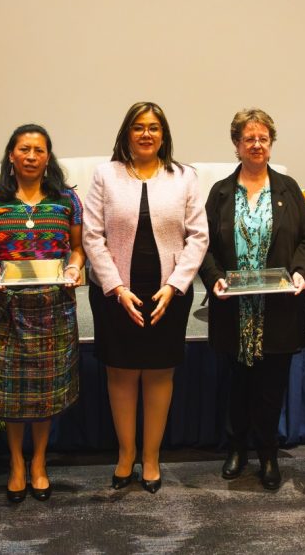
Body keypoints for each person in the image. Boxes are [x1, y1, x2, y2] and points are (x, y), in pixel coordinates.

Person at [82, 102, 208, 494]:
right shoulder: (106, 174)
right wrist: (116, 288)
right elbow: (92, 236)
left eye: (154, 127)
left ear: (164, 135)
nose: (146, 134)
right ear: (126, 133)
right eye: (138, 127)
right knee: (120, 371)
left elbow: (198, 236)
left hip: (167, 291)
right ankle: (125, 455)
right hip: (115, 291)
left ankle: (151, 458)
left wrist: (176, 285)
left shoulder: (184, 177)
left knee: (158, 372)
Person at [199, 109, 305, 491]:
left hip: (277, 309)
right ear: (236, 144)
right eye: (248, 138)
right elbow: (205, 246)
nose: (256, 144)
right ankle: (236, 449)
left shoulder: (287, 189)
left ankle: (267, 453)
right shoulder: (219, 192)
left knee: (270, 384)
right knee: (236, 381)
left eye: (263, 138)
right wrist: (214, 279)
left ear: (271, 143)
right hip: (233, 308)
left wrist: (300, 273)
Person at [0, 124, 84, 503]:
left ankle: (39, 462)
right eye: (24, 149)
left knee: (44, 393)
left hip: (53, 308)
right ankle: (16, 462)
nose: (31, 156)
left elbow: (78, 249)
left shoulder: (67, 199)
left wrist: (72, 269)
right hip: (6, 308)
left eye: (38, 150)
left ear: (48, 157)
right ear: (12, 155)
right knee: (11, 392)